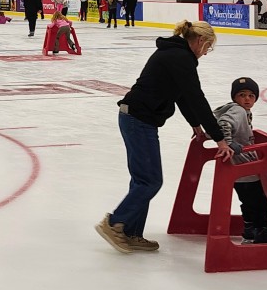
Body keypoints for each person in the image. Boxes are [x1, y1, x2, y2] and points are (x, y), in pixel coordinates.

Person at [95, 20, 232, 254]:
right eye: (208, 47)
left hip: (137, 118)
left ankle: (130, 233)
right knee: (150, 181)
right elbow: (196, 97)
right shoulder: (181, 57)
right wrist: (220, 138)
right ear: (200, 40)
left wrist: (195, 124)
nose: (206, 53)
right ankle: (114, 223)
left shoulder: (176, 53)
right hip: (138, 120)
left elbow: (181, 95)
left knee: (142, 180)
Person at [214, 77, 267, 244]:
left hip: (238, 169)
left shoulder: (239, 111)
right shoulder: (238, 111)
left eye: (251, 96)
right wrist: (228, 142)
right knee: (259, 203)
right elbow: (223, 123)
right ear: (234, 97)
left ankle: (250, 230)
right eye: (242, 95)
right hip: (244, 167)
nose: (247, 99)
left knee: (248, 201)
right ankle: (261, 233)